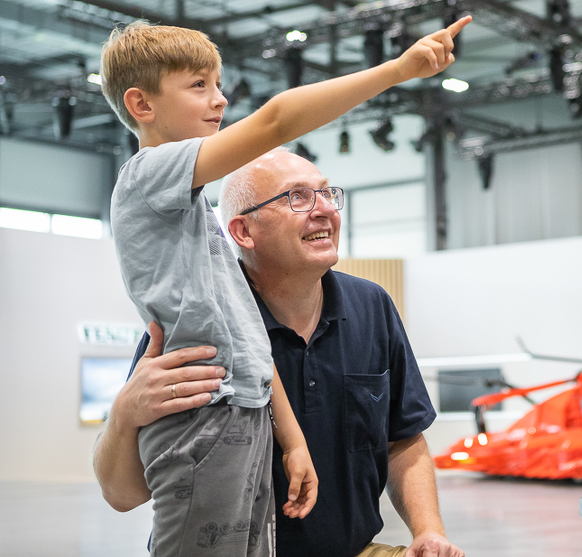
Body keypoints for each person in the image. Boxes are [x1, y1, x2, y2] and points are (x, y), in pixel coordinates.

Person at [95, 17, 470, 557]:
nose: (219, 101)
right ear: (141, 104)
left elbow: (251, 349)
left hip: (244, 414)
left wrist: (293, 443)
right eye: (199, 85)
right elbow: (274, 121)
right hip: (208, 416)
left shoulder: (203, 234)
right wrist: (396, 71)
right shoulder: (148, 175)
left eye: (218, 85)